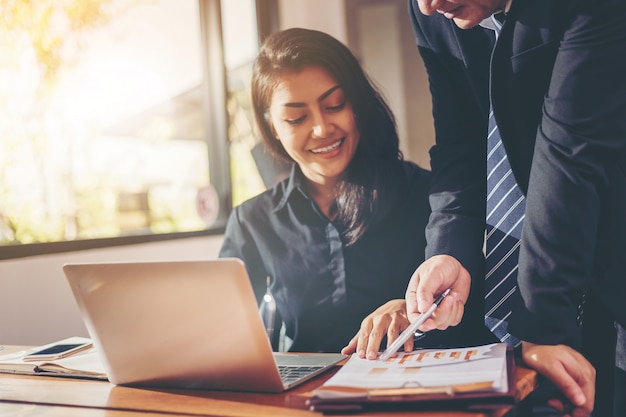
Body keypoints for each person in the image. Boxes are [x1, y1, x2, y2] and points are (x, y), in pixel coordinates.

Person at [404, 0, 626, 416]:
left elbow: (570, 154)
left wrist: (540, 325)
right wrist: (448, 250)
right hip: (548, 280)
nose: (428, 6)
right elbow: (460, 144)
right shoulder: (433, 15)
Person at [219, 27, 496, 355]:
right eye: (296, 118)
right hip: (306, 398)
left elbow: (477, 309)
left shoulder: (433, 199)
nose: (321, 129)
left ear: (357, 105)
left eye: (334, 104)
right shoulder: (252, 220)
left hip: (414, 387)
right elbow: (221, 331)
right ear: (272, 128)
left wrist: (413, 314)